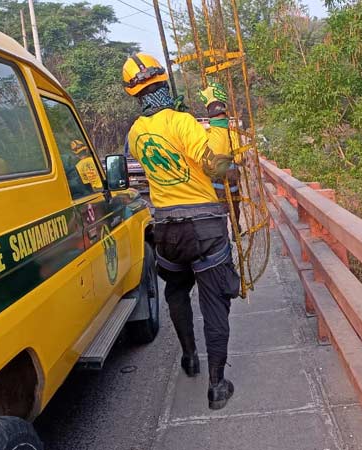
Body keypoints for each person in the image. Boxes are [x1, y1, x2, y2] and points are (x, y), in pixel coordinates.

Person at [122, 53, 240, 410]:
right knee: (214, 302)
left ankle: (190, 357)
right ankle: (217, 385)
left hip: (166, 230)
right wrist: (217, 113)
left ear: (134, 93)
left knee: (176, 291)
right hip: (203, 227)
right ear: (164, 82)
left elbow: (166, 161)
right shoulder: (182, 121)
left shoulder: (135, 133)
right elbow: (217, 165)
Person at [201, 86, 243, 237]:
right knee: (234, 206)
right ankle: (235, 228)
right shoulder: (232, 133)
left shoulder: (207, 134)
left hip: (215, 182)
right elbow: (239, 158)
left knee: (219, 209)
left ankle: (223, 233)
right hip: (231, 179)